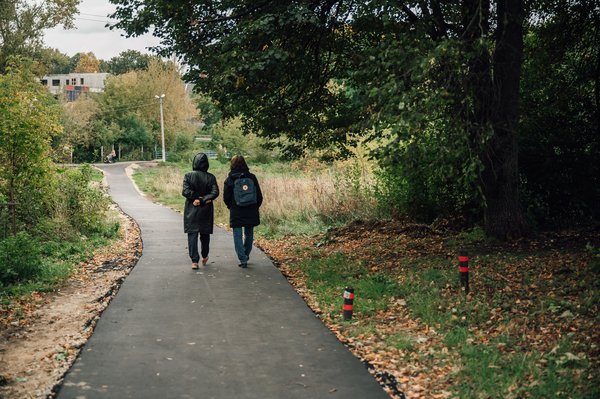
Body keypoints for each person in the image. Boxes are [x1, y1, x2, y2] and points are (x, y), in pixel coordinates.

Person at [223, 155, 263, 268]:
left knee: (237, 235)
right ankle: (246, 254)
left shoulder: (230, 179)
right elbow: (259, 195)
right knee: (249, 233)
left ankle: (242, 259)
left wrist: (230, 206)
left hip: (236, 210)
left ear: (232, 164)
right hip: (251, 208)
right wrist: (256, 206)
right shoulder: (252, 177)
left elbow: (226, 197)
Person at [182, 153, 219, 269]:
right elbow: (215, 192)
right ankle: (205, 255)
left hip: (191, 209)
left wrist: (196, 199)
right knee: (205, 234)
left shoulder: (188, 176)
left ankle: (194, 261)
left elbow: (185, 192)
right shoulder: (211, 177)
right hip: (206, 210)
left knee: (192, 234)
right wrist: (203, 199)